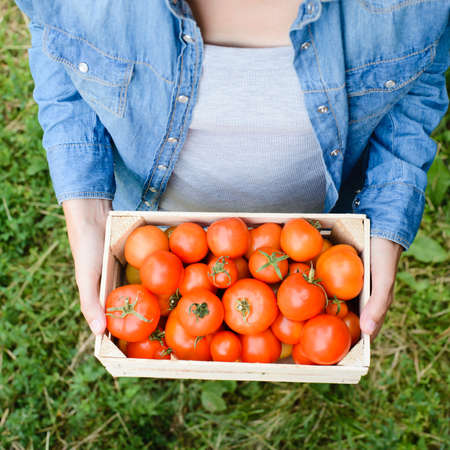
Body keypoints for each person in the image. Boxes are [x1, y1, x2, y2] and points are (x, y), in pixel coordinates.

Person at [15, 0, 450, 340]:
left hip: (314, 246)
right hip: (161, 237)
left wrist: (388, 213)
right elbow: (61, 45)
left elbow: (418, 80)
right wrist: (87, 210)